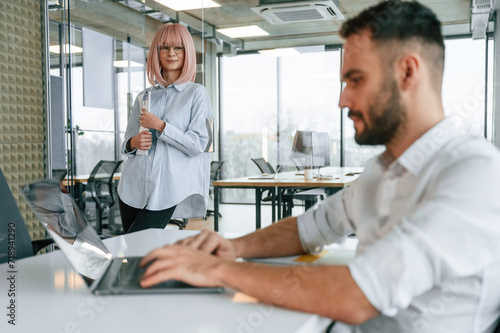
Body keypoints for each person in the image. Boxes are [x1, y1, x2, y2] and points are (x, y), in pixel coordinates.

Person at [138, 1, 500, 332]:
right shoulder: (383, 170)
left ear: (408, 72)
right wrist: (233, 247)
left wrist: (217, 270)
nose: (343, 100)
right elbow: (310, 227)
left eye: (355, 80)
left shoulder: (474, 172)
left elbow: (361, 294)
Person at [118, 23, 212, 234]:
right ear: (156, 52)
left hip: (168, 190)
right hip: (132, 189)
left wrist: (161, 127)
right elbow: (126, 145)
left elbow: (198, 144)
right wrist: (133, 142)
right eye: (165, 47)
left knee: (139, 249)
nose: (171, 53)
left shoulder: (197, 94)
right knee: (136, 255)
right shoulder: (144, 96)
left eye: (178, 48)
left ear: (186, 52)